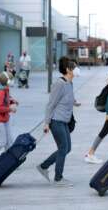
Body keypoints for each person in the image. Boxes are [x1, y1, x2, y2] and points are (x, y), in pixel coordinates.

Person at [36, 56, 77, 187]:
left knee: (67, 148)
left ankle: (43, 166)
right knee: (63, 147)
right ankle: (58, 178)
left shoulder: (70, 83)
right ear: (68, 69)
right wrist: (47, 122)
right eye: (75, 67)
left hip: (64, 121)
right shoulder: (59, 84)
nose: (77, 70)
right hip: (56, 121)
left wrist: (74, 103)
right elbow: (51, 104)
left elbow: (66, 98)